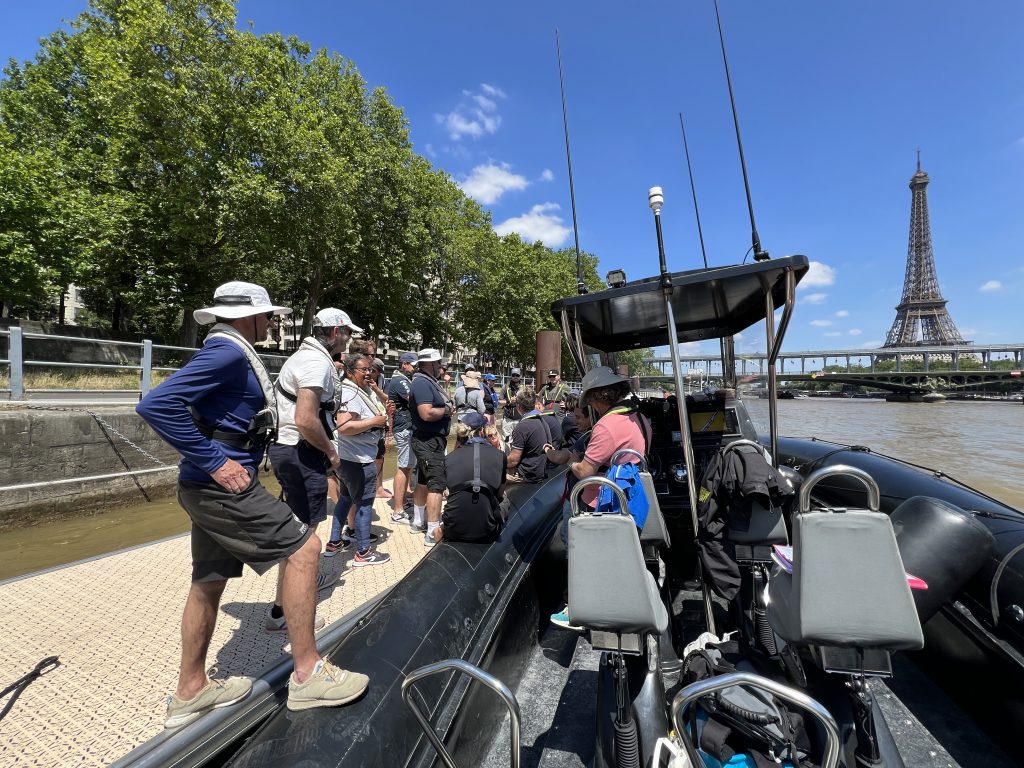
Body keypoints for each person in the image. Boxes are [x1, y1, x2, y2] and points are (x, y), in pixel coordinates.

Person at [137, 282, 368, 726]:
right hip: (223, 484)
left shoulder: (228, 349)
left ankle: (191, 692)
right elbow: (157, 405)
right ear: (249, 317)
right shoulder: (226, 353)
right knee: (305, 549)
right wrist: (215, 461)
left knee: (208, 580)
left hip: (203, 485)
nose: (272, 322)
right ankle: (307, 675)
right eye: (268, 316)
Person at [267, 307, 358, 620]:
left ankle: (299, 587)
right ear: (334, 332)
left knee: (299, 529)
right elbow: (305, 418)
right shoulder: (316, 362)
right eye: (347, 332)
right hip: (301, 453)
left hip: (295, 451)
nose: (349, 339)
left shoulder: (309, 356)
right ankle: (285, 614)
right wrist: (331, 454)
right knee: (303, 537)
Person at [551, 366, 652, 629]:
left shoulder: (607, 426)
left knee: (581, 550)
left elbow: (585, 471)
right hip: (629, 495)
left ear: (600, 398)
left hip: (600, 500)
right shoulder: (641, 419)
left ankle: (580, 607)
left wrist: (572, 463)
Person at [328, 353, 391, 565]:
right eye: (363, 369)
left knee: (345, 499)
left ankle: (335, 542)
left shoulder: (358, 389)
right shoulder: (350, 393)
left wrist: (375, 390)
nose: (367, 373)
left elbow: (384, 405)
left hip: (349, 457)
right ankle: (363, 552)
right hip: (358, 459)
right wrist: (376, 421)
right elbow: (344, 427)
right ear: (349, 371)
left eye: (369, 369)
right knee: (364, 504)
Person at [436, 412, 507, 543]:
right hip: (488, 531)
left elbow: (449, 491)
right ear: (482, 432)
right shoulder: (500, 456)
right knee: (505, 497)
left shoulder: (448, 459)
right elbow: (499, 494)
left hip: (454, 530)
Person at [408, 348, 454, 547]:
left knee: (424, 481)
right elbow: (426, 413)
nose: (441, 367)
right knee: (437, 484)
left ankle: (418, 521)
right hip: (428, 441)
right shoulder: (421, 383)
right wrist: (447, 411)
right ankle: (432, 531)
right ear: (431, 364)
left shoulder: (426, 382)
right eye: (439, 364)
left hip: (429, 440)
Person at [386, 352, 419, 525]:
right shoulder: (399, 381)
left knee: (408, 466)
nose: (415, 368)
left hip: (407, 427)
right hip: (403, 427)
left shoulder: (404, 379)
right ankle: (397, 512)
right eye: (413, 365)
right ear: (404, 364)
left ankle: (403, 502)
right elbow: (414, 400)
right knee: (403, 467)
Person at [506, 388, 563, 483]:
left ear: (519, 406)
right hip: (541, 470)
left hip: (527, 474)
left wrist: (499, 461)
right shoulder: (542, 419)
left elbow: (513, 461)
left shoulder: (522, 426)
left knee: (495, 475)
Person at [498, 368, 525, 446]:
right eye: (513, 375)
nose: (515, 377)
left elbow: (528, 402)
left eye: (517, 375)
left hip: (520, 419)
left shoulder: (523, 388)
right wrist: (509, 401)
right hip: (508, 419)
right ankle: (508, 455)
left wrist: (518, 400)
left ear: (521, 376)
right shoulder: (505, 387)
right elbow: (499, 402)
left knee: (519, 439)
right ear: (511, 376)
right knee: (507, 440)